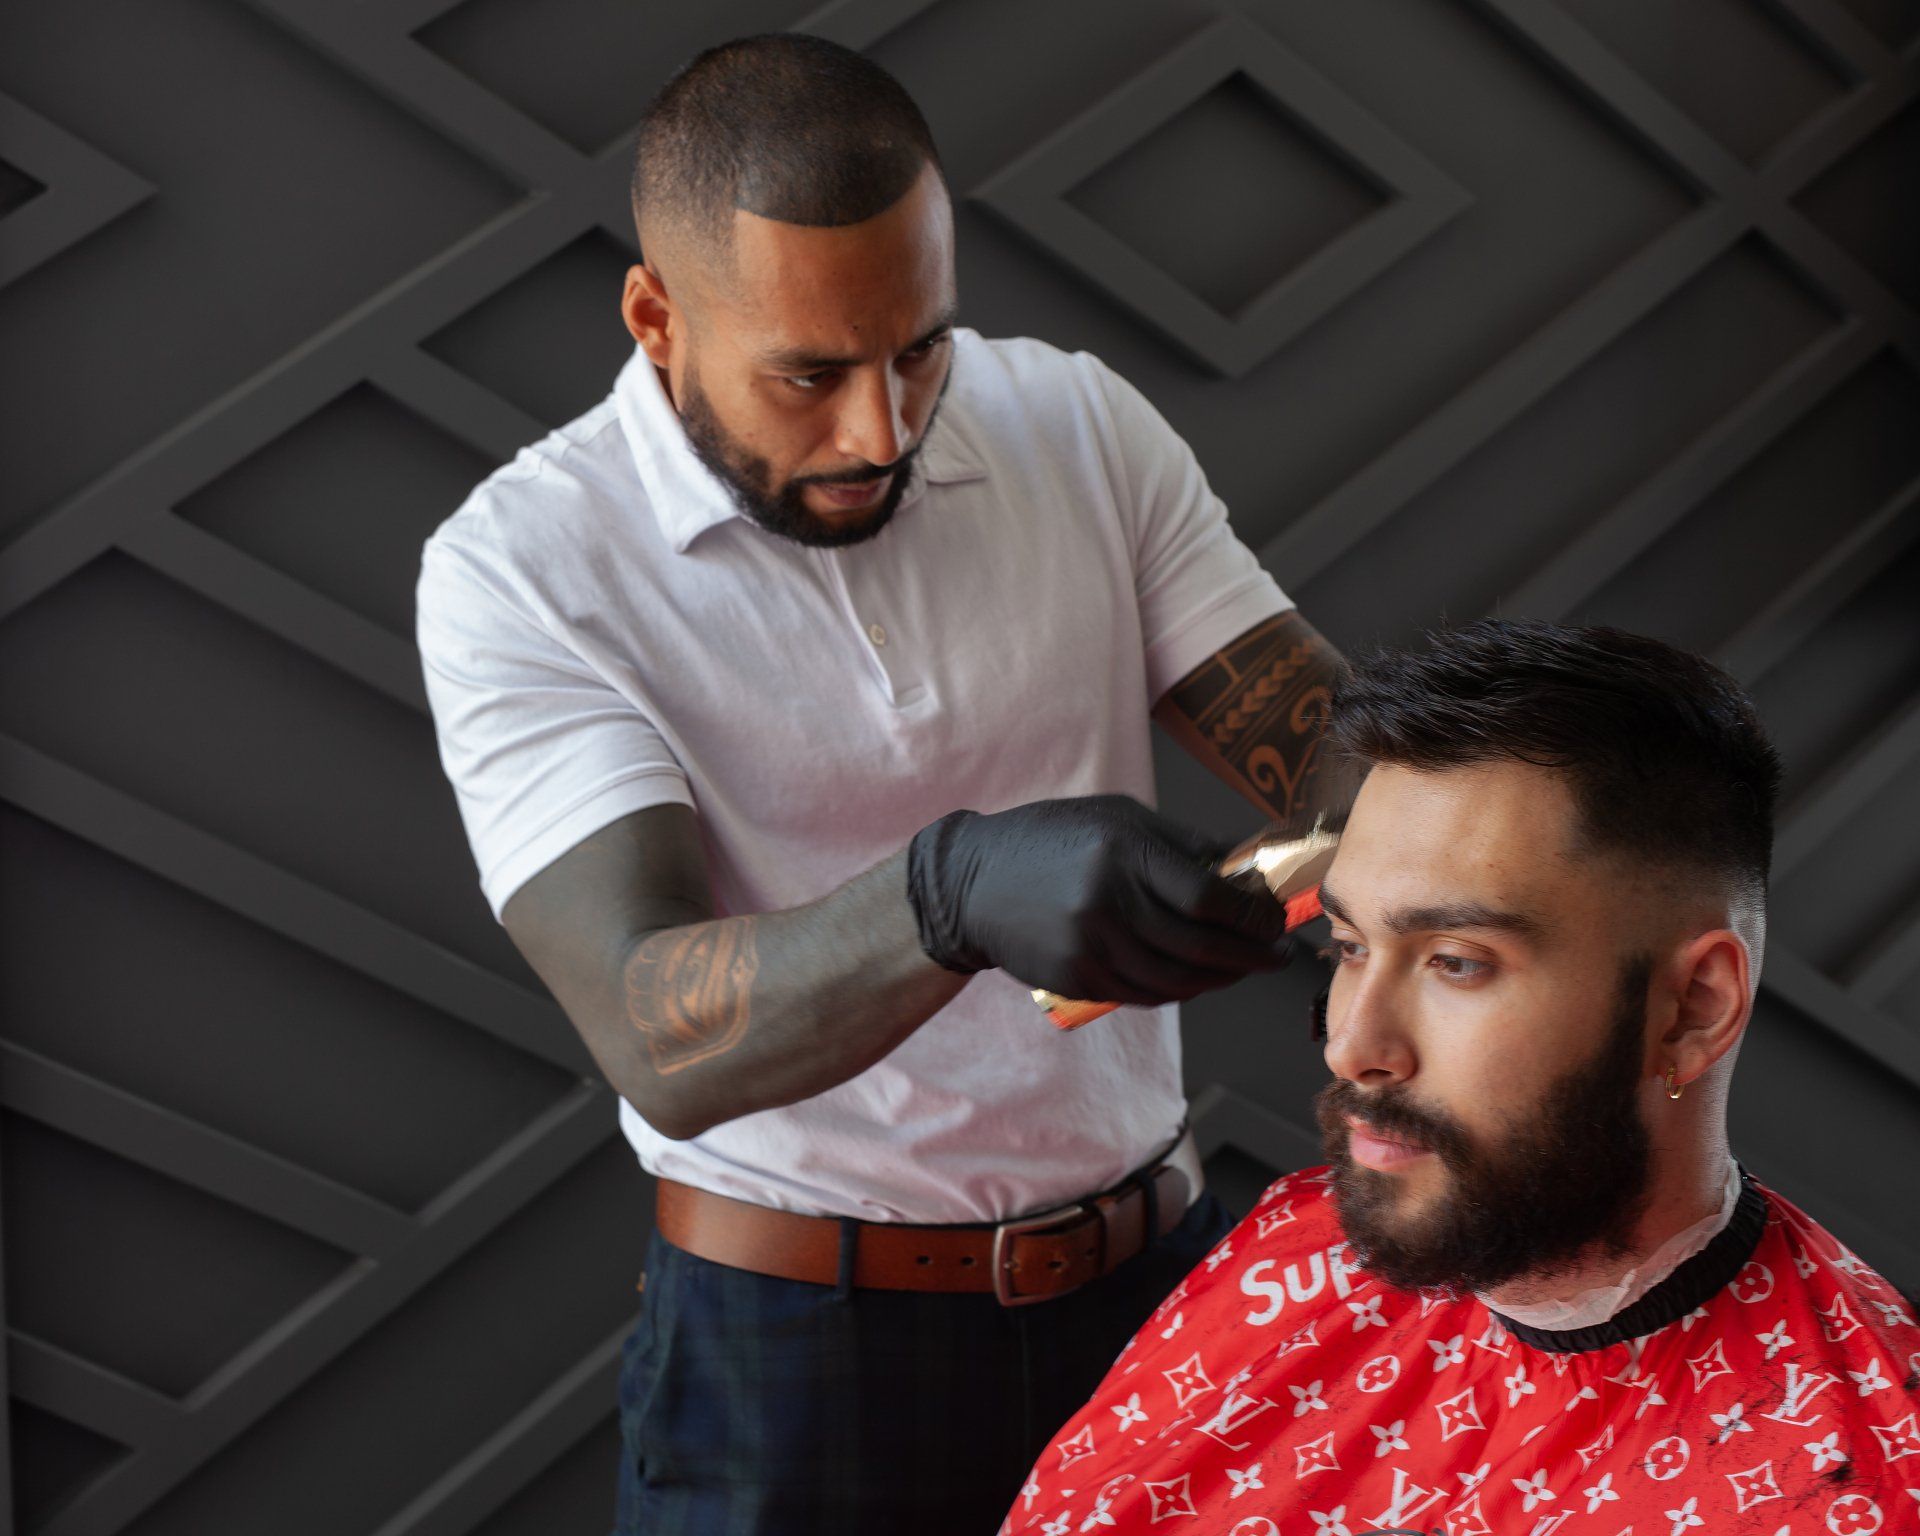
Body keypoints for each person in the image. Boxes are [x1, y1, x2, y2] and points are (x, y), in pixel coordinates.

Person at [414, 32, 1348, 1534]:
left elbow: (1326, 744)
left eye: (921, 348)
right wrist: (950, 891)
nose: (883, 428)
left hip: (1166, 1292)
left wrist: (1366, 858)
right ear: (658, 317)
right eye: (809, 374)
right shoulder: (522, 570)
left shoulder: (1073, 424)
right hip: (798, 1354)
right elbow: (657, 1028)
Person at [1000, 619, 1920, 1536]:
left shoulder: (1858, 1485)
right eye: (1350, 946)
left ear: (1692, 1010)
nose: (1352, 1045)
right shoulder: (1293, 1250)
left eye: (1456, 962)